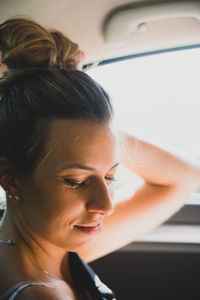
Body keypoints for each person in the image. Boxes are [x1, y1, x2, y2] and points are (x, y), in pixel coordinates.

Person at [0, 17, 200, 300]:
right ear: (12, 180)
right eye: (76, 181)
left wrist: (82, 123)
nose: (105, 205)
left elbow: (185, 177)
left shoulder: (51, 250)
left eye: (109, 176)